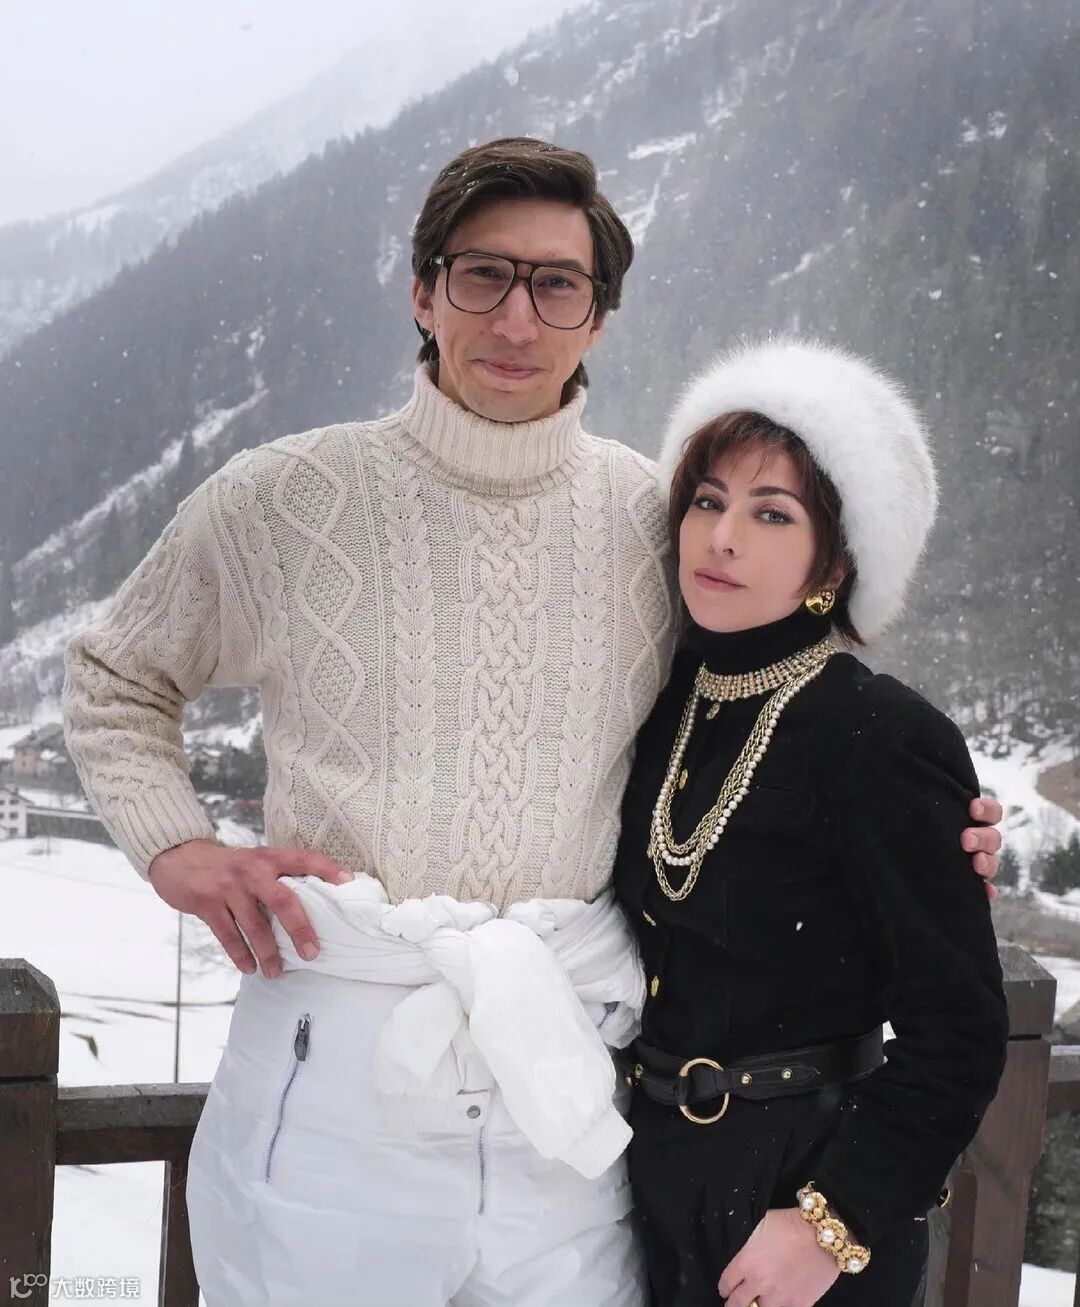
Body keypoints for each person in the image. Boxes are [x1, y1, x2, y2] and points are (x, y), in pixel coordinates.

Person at [60, 140, 1002, 1307]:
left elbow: (778, 695)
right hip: (340, 1069)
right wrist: (179, 846)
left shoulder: (648, 518)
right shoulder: (283, 497)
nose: (516, 316)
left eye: (556, 284)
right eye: (482, 275)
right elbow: (115, 674)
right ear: (423, 292)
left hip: (568, 1096)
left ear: (597, 317)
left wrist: (943, 828)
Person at [613, 337, 1010, 1307]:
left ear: (833, 558)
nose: (722, 538)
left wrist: (833, 1220)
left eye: (771, 512)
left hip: (802, 1197)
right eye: (707, 500)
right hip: (652, 1184)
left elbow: (958, 1028)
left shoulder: (882, 734)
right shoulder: (659, 698)